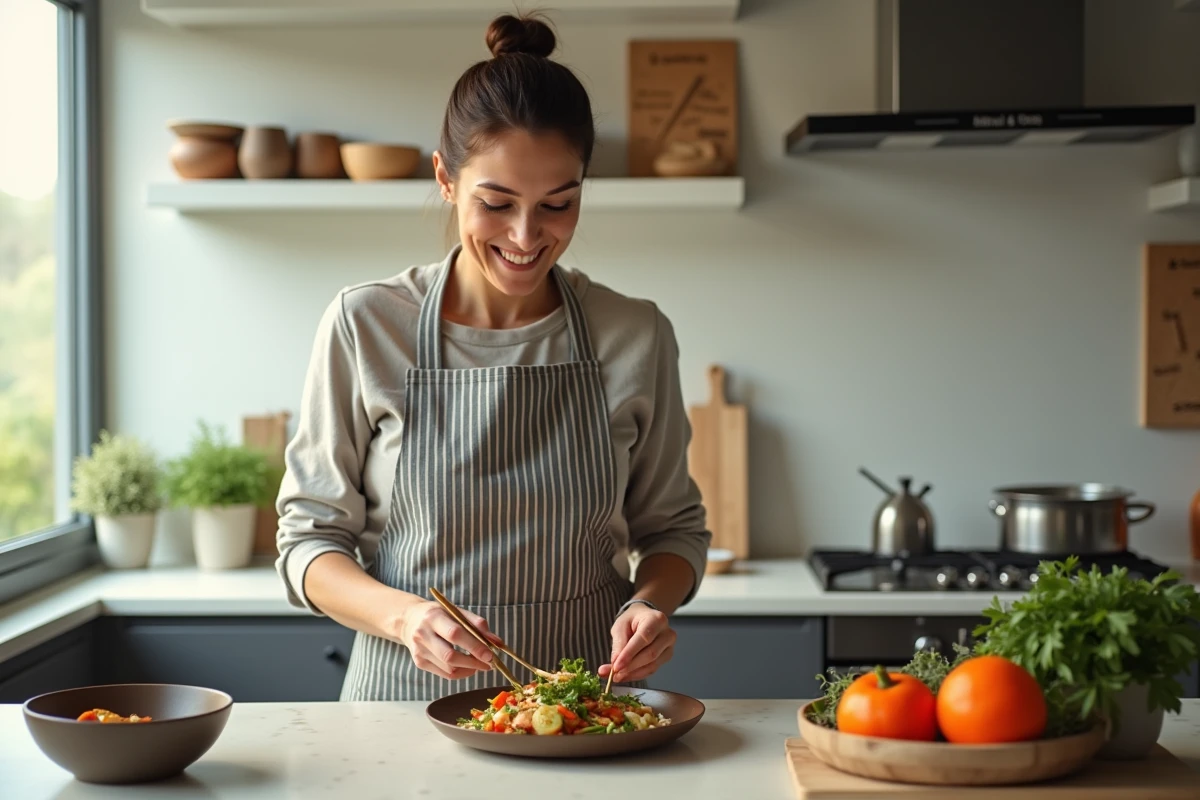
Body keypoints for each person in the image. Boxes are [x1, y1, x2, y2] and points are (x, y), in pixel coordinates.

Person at [274, 12, 711, 701]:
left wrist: (648, 604)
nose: (526, 235)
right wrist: (408, 617)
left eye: (558, 204)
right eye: (497, 203)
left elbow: (674, 530)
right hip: (400, 710)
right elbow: (307, 542)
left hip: (582, 713)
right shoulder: (365, 324)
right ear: (446, 179)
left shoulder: (635, 334)